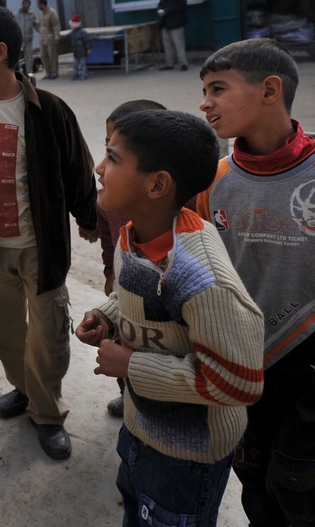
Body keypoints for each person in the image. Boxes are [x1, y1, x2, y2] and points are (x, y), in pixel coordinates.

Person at [76, 109, 265, 527]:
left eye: (113, 157)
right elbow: (133, 293)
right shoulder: (134, 233)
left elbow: (239, 381)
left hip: (189, 456)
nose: (98, 167)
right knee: (135, 505)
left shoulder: (202, 278)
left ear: (158, 184)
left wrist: (130, 365)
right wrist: (107, 316)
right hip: (141, 426)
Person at [0, 6, 99, 461]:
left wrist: (88, 217)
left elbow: (78, 169)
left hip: (41, 248)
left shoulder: (48, 110)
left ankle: (48, 414)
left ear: (0, 53)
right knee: (5, 334)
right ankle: (25, 390)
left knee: (49, 338)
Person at [196, 38, 315, 526]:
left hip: (309, 369)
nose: (204, 102)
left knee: (299, 483)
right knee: (253, 479)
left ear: (270, 90)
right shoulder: (213, 180)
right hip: (243, 362)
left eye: (217, 89)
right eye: (203, 91)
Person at [94, 100, 167, 419]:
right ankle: (129, 395)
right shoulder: (108, 199)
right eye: (105, 150)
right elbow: (109, 243)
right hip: (121, 298)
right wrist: (111, 277)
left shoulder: (189, 210)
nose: (100, 167)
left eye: (113, 156)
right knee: (122, 346)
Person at [157, 0, 189, 71]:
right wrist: (160, 10)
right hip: (165, 22)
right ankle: (169, 63)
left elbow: (181, 5)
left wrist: (167, 11)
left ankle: (183, 63)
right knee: (167, 44)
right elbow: (161, 4)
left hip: (176, 22)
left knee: (178, 43)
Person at [36, 0, 61, 80]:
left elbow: (56, 24)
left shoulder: (52, 12)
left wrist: (57, 35)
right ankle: (48, 72)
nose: (37, 6)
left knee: (52, 56)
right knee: (43, 56)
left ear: (43, 4)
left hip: (51, 37)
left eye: (39, 4)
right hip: (42, 38)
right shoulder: (40, 14)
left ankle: (54, 72)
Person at [15, 0, 38, 73]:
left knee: (29, 56)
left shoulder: (32, 14)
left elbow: (37, 25)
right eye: (24, 4)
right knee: (18, 56)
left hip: (28, 39)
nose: (25, 5)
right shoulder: (17, 14)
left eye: (27, 4)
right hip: (19, 39)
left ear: (29, 5)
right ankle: (18, 71)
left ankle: (28, 72)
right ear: (22, 5)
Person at [68, 13, 91, 81]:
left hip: (82, 52)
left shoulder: (82, 32)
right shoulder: (73, 32)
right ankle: (76, 74)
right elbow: (67, 36)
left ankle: (84, 75)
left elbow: (87, 40)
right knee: (75, 65)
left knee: (83, 65)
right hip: (76, 52)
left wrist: (88, 48)